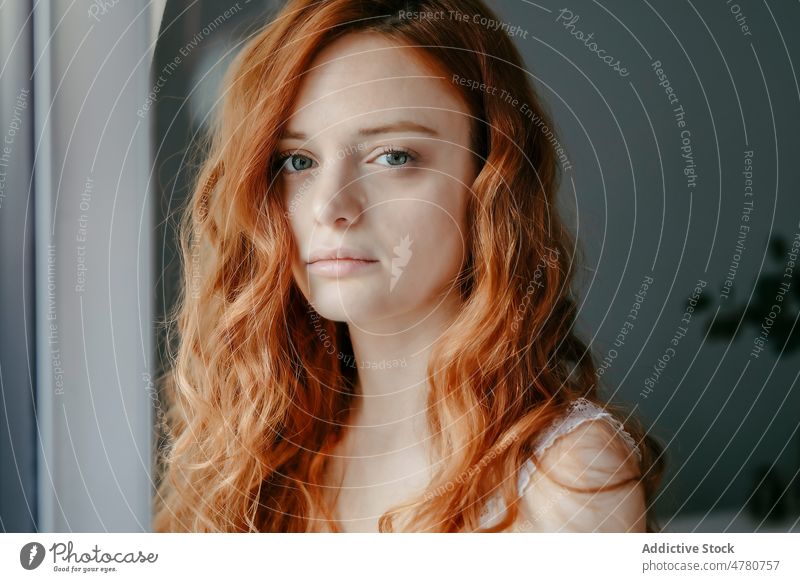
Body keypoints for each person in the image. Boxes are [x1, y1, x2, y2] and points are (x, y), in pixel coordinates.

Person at [152, 0, 665, 533]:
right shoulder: (259, 459)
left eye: (393, 155)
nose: (330, 207)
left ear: (489, 180)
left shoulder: (564, 476)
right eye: (298, 161)